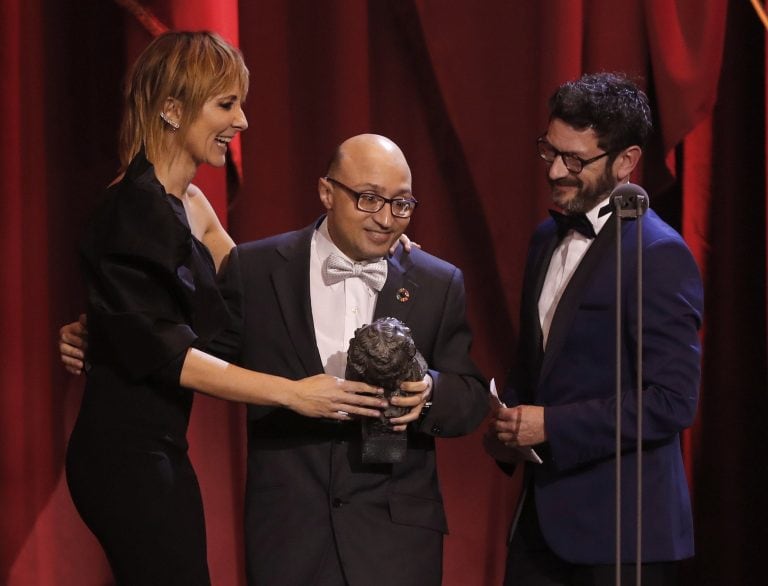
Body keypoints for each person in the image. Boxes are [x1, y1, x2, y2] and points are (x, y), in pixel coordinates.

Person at [62, 133, 489, 585]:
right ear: (327, 192)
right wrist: (107, 335)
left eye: (401, 204)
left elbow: (470, 395)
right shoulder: (257, 269)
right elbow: (185, 352)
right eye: (369, 199)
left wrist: (429, 393)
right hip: (289, 541)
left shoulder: (438, 282)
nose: (386, 219)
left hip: (397, 545)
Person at [65, 32, 384, 586]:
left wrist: (378, 237)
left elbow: (259, 282)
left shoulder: (187, 201)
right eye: (226, 104)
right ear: (171, 109)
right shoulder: (132, 208)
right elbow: (171, 355)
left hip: (160, 449)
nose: (242, 122)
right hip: (123, 458)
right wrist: (294, 392)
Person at [484, 72, 704, 586]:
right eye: (549, 151)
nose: (556, 170)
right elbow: (538, 363)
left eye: (575, 160)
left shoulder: (659, 254)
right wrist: (508, 422)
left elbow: (673, 401)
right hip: (540, 527)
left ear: (625, 162)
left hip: (624, 536)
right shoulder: (545, 238)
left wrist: (552, 427)